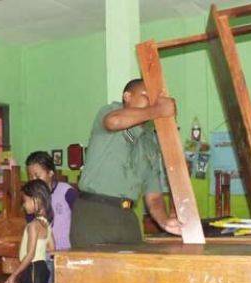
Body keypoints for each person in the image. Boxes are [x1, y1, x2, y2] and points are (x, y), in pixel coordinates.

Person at [71, 78, 182, 247]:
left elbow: (154, 198)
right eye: (146, 96)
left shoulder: (149, 142)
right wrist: (158, 109)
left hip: (127, 216)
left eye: (153, 99)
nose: (151, 102)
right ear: (127, 96)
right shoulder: (111, 112)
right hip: (94, 213)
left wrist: (165, 222)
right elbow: (114, 121)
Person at [25, 151, 77, 283]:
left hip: (66, 250)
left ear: (51, 173)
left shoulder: (66, 191)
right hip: (45, 253)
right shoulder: (32, 198)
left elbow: (80, 215)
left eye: (37, 175)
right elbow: (31, 224)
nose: (33, 180)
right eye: (30, 176)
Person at [2, 179, 55, 283]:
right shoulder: (46, 225)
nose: (23, 205)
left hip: (32, 268)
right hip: (39, 268)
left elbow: (30, 254)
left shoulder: (33, 226)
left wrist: (14, 274)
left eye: (25, 201)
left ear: (36, 200)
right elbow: (52, 249)